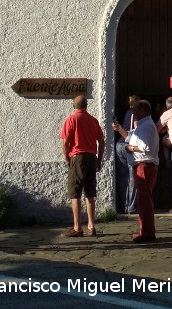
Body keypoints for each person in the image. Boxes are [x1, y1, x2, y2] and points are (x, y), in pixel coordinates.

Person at [112, 100, 159, 243]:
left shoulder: (146, 127)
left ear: (143, 111)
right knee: (143, 200)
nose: (133, 112)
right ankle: (145, 231)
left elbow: (145, 147)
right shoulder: (144, 125)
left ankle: (147, 233)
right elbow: (129, 137)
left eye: (136, 110)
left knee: (144, 201)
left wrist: (130, 148)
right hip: (142, 165)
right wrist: (119, 128)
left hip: (144, 165)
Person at [59, 95, 104, 237]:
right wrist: (99, 159)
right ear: (86, 106)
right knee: (90, 193)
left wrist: (67, 158)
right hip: (91, 157)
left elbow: (65, 142)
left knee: (75, 192)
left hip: (77, 157)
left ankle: (77, 227)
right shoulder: (93, 120)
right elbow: (101, 141)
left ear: (73, 106)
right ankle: (91, 226)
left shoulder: (71, 119)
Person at [115, 94, 139, 214]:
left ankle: (123, 205)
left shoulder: (122, 112)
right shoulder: (136, 114)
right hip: (129, 145)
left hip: (119, 145)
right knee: (132, 177)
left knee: (122, 178)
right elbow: (136, 128)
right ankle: (131, 207)